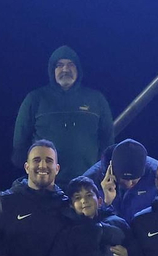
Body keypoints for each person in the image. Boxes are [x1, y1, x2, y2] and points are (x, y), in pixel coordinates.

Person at [12, 46, 114, 187]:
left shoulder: (96, 99)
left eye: (70, 64)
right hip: (46, 184)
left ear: (78, 69)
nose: (65, 69)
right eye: (59, 65)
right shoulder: (35, 99)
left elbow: (107, 140)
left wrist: (100, 171)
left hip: (86, 184)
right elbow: (20, 142)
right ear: (52, 70)